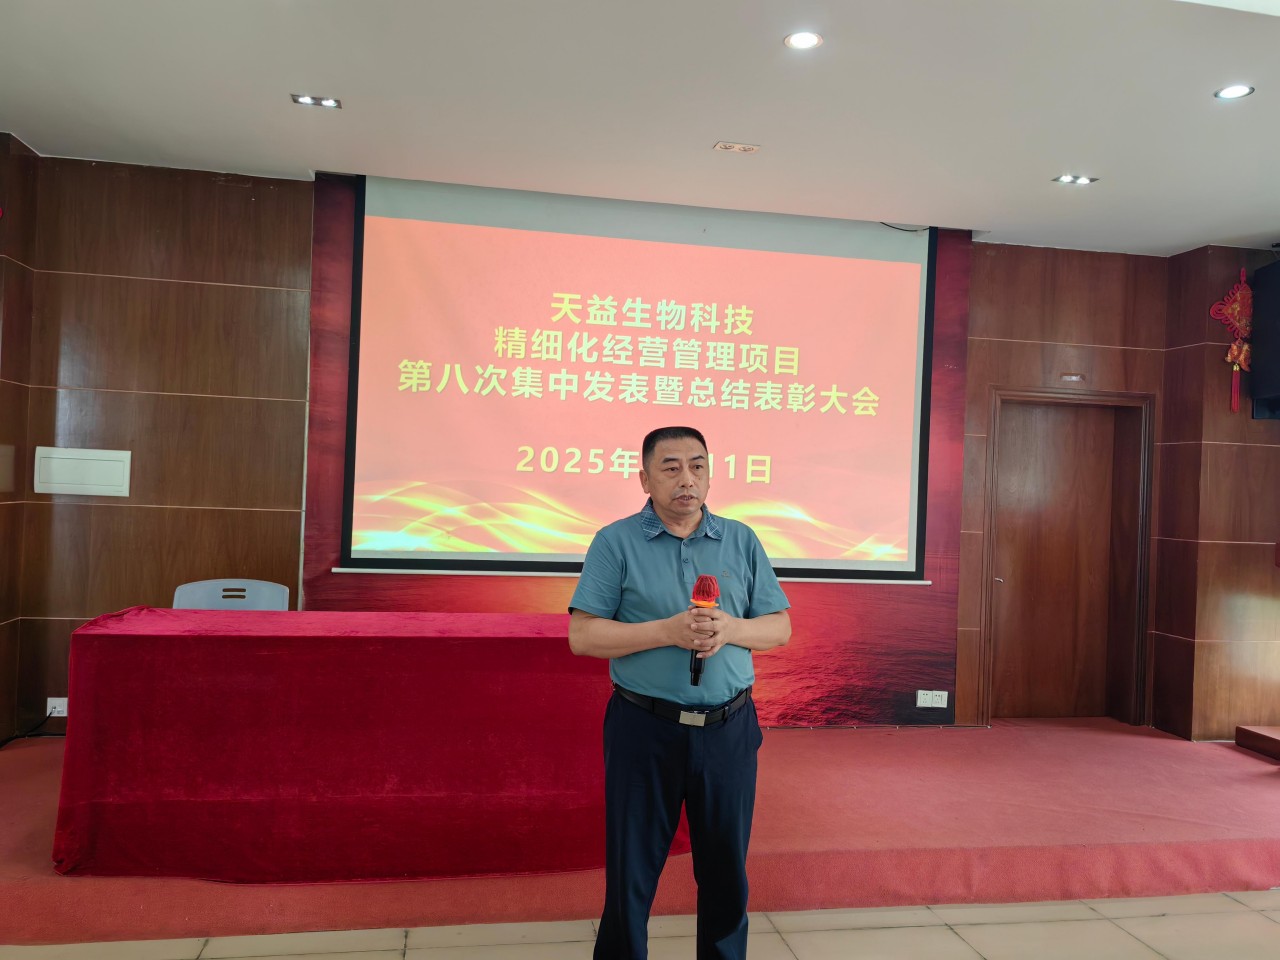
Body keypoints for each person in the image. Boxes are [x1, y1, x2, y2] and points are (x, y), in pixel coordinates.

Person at [569, 425, 791, 960]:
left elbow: (779, 627)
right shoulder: (615, 542)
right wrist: (667, 631)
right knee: (632, 870)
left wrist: (731, 630)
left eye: (697, 466)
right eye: (670, 468)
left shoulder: (741, 539)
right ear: (645, 479)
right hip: (644, 729)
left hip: (728, 730)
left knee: (725, 871)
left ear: (710, 475)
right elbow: (584, 636)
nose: (686, 479)